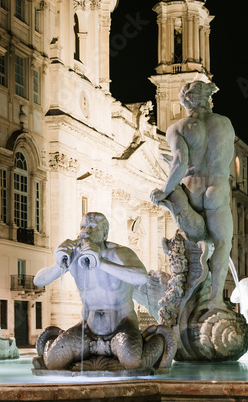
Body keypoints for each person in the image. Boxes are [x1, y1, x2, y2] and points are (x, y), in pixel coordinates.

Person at [151, 80, 236, 310]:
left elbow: (179, 163)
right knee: (222, 244)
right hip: (217, 188)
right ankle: (215, 299)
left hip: (192, 190)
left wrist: (164, 191)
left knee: (189, 243)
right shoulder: (225, 124)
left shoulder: (177, 128)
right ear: (208, 99)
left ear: (185, 103)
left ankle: (187, 296)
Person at [33, 212, 150, 370]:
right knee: (54, 361)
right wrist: (59, 264)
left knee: (132, 361)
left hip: (122, 326)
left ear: (105, 234)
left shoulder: (119, 253)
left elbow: (141, 277)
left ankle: (154, 341)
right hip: (87, 329)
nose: (86, 230)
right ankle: (59, 343)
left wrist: (100, 262)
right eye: (83, 226)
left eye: (93, 227)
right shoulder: (74, 255)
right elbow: (38, 280)